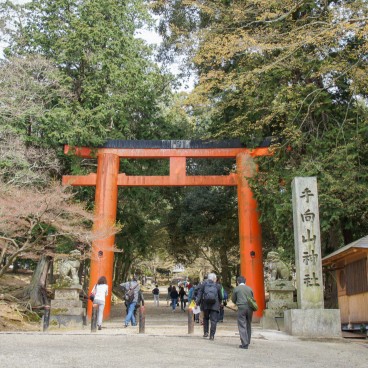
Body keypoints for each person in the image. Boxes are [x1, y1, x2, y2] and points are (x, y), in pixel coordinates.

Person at [195, 273, 222, 340]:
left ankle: (206, 332)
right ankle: (212, 335)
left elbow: (200, 294)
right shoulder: (218, 286)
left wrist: (197, 303)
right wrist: (220, 302)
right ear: (214, 279)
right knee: (213, 320)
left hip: (205, 304)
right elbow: (220, 296)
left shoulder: (203, 284)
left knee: (206, 318)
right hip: (215, 305)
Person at [232, 275, 254, 349]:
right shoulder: (249, 288)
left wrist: (237, 302)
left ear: (238, 282)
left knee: (242, 324)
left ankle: (244, 343)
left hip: (241, 307)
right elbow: (252, 298)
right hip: (250, 308)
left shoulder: (236, 289)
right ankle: (248, 340)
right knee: (248, 324)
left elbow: (233, 299)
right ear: (245, 281)